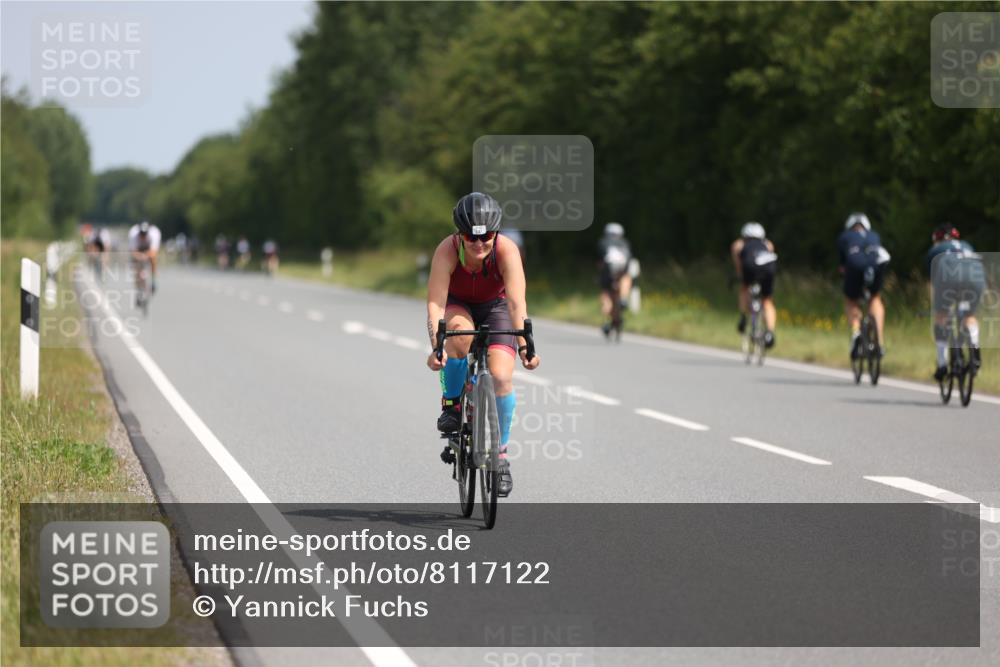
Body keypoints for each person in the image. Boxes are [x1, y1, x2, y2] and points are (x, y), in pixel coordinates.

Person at [426, 192, 541, 496]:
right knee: (460, 338)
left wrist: (527, 345)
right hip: (458, 304)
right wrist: (437, 345)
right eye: (470, 237)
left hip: (497, 307)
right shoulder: (447, 251)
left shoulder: (506, 251)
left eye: (486, 236)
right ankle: (451, 404)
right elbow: (436, 305)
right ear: (459, 235)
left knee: (502, 376)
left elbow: (517, 304)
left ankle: (500, 456)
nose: (479, 245)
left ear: (496, 232)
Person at [927, 223, 985, 380]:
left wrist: (937, 307)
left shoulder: (936, 250)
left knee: (942, 316)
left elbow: (932, 281)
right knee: (969, 315)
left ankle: (942, 364)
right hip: (976, 276)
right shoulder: (967, 245)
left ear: (937, 239)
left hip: (949, 277)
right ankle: (975, 347)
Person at [837, 212, 890, 359]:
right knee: (875, 298)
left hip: (854, 266)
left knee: (851, 300)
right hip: (876, 266)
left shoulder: (844, 237)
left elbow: (843, 266)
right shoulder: (874, 235)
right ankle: (879, 341)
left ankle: (856, 331)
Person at [731, 222, 778, 348]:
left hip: (750, 267)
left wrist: (740, 277)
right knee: (767, 301)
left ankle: (743, 317)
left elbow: (739, 266)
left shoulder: (739, 245)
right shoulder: (768, 244)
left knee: (744, 288)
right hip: (768, 268)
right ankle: (770, 333)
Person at [597, 222, 633, 337]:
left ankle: (606, 319)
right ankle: (623, 298)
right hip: (622, 270)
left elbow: (600, 262)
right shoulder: (624, 242)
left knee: (606, 294)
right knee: (626, 278)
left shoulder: (603, 242)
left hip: (607, 271)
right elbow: (629, 259)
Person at [127, 220, 162, 292]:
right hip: (138, 248)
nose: (143, 236)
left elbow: (153, 252)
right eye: (141, 234)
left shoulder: (155, 233)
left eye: (145, 234)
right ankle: (138, 285)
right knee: (135, 264)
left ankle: (153, 280)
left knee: (153, 259)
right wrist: (139, 257)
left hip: (149, 248)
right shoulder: (133, 233)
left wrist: (146, 256)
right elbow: (133, 251)